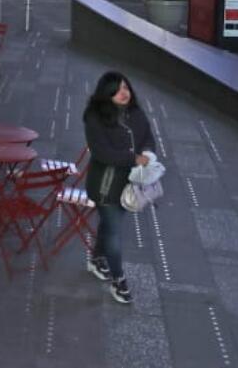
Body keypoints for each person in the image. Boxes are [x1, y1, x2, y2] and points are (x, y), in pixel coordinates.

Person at [83, 71, 157, 305]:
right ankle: (119, 280)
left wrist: (147, 153)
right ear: (106, 94)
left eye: (126, 87)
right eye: (116, 90)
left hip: (130, 184)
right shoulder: (94, 117)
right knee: (114, 232)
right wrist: (134, 159)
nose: (124, 93)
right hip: (105, 185)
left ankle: (95, 259)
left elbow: (148, 137)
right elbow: (102, 152)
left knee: (108, 224)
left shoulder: (135, 112)